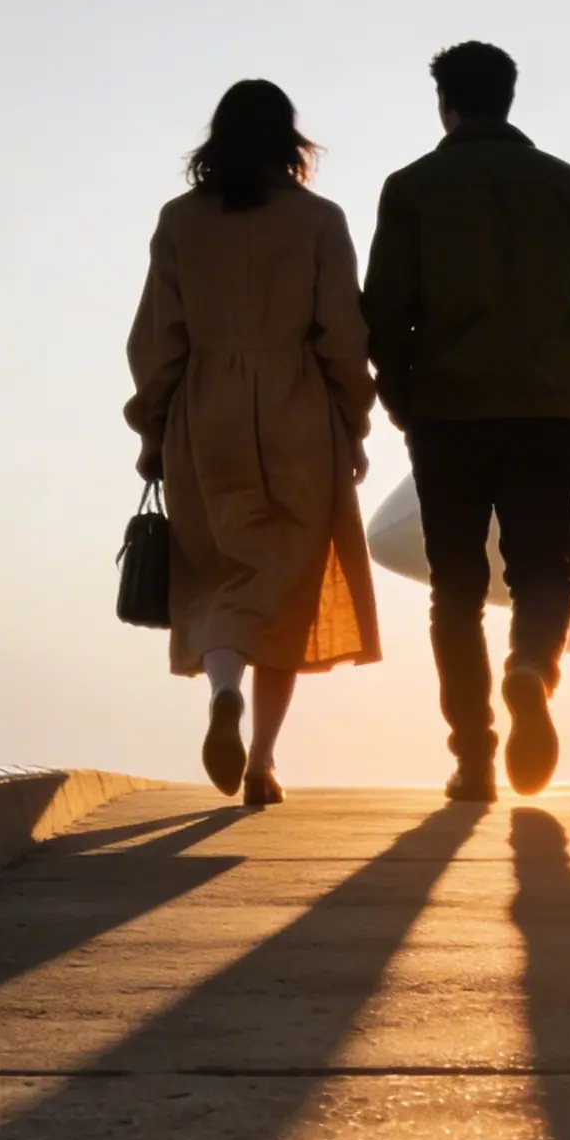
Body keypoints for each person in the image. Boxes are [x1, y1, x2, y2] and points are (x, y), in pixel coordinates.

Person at [363, 42, 570, 801]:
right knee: (542, 571)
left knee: (455, 588)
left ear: (445, 105)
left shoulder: (411, 189)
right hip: (545, 410)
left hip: (446, 412)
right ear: (509, 99)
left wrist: (403, 402)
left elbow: (382, 314)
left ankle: (474, 759)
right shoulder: (569, 187)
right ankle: (531, 670)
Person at [125, 80, 381, 807]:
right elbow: (343, 335)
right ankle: (262, 762)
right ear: (289, 142)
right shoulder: (319, 220)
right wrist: (353, 423)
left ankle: (224, 689)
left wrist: (153, 428)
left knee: (217, 575)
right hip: (299, 413)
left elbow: (156, 341)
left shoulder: (180, 221)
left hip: (205, 416)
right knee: (287, 587)